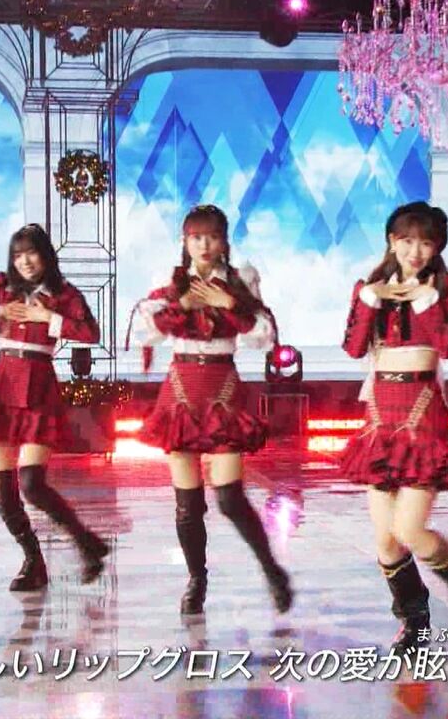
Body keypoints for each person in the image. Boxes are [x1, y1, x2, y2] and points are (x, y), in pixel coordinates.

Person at [340, 201, 448, 655]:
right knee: (386, 541)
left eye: (426, 243)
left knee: (410, 528)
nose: (415, 251)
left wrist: (424, 300)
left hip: (422, 411)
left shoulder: (446, 287)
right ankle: (414, 623)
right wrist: (371, 300)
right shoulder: (369, 288)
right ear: (392, 241)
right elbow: (353, 347)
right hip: (379, 415)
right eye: (407, 241)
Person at [128, 204, 292, 616]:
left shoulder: (240, 280)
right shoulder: (170, 281)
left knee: (230, 497)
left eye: (212, 237)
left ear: (224, 242)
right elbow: (145, 331)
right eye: (196, 237)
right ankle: (196, 580)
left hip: (222, 386)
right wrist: (182, 304)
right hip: (181, 388)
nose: (204, 245)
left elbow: (264, 337)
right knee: (187, 504)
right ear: (185, 241)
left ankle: (272, 570)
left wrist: (229, 304)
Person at [0, 225, 108, 591]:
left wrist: (47, 319)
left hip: (39, 382)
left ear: (45, 255)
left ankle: (85, 541)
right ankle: (33, 560)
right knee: (2, 487)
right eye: (18, 255)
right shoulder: (1, 286)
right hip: (4, 381)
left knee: (32, 484)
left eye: (31, 253)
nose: (25, 261)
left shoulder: (63, 293)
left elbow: (90, 333)